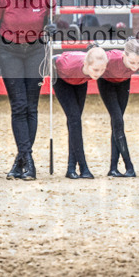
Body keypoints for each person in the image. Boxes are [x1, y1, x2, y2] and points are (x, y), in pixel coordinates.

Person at [0, 0, 57, 181]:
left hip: (36, 51)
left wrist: (53, 27)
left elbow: (52, 22)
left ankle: (21, 161)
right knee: (18, 106)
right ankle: (29, 161)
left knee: (31, 107)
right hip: (9, 52)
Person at [53, 47, 108, 179]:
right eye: (95, 70)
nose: (99, 74)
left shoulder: (94, 68)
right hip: (62, 79)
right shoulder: (68, 65)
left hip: (80, 81)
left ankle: (71, 167)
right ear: (86, 64)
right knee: (74, 119)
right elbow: (53, 60)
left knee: (75, 123)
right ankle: (83, 167)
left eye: (102, 70)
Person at [101, 38, 139, 177]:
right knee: (118, 121)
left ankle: (113, 168)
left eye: (138, 63)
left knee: (117, 124)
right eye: (131, 62)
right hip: (106, 82)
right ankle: (129, 166)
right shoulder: (110, 58)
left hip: (124, 83)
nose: (135, 66)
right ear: (124, 55)